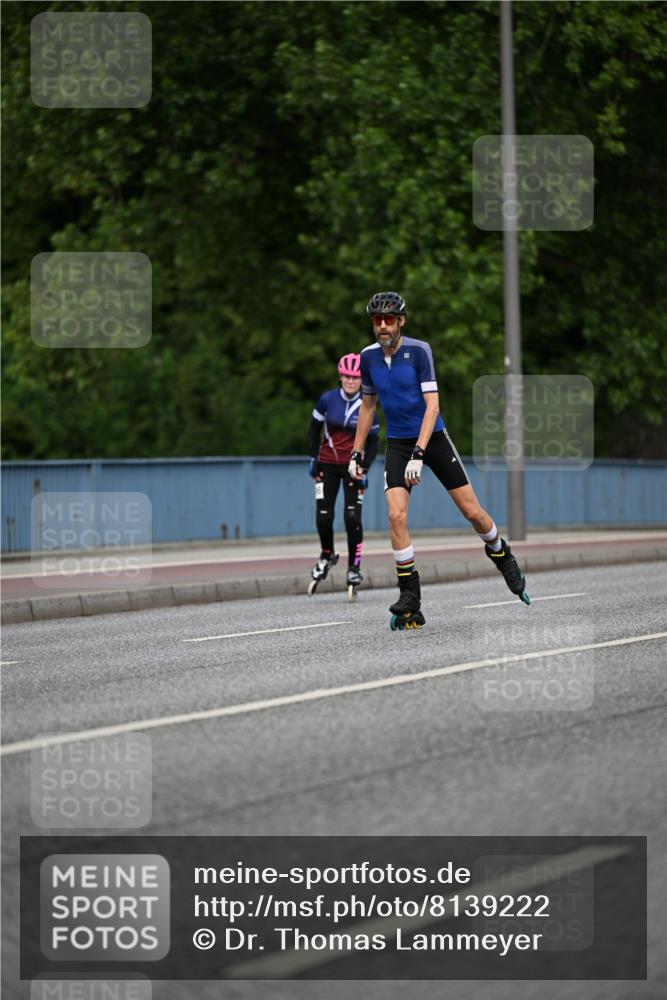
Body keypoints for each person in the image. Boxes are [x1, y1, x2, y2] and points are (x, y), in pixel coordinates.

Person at [348, 291, 528, 628]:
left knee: (472, 512)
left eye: (389, 319)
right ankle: (410, 596)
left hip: (433, 438)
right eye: (377, 320)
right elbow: (368, 406)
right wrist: (356, 452)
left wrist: (419, 452)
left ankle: (501, 552)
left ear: (401, 321)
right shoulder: (367, 357)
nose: (383, 325)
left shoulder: (419, 351)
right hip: (398, 443)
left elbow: (432, 406)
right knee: (396, 515)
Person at [307, 353, 379, 596]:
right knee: (323, 517)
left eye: (355, 377)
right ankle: (327, 554)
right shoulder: (327, 400)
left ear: (362, 379)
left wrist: (364, 468)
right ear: (340, 376)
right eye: (346, 376)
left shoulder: (368, 404)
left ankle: (354, 567)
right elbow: (313, 429)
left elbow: (374, 440)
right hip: (327, 465)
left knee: (352, 518)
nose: (350, 381)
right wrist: (313, 459)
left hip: (352, 468)